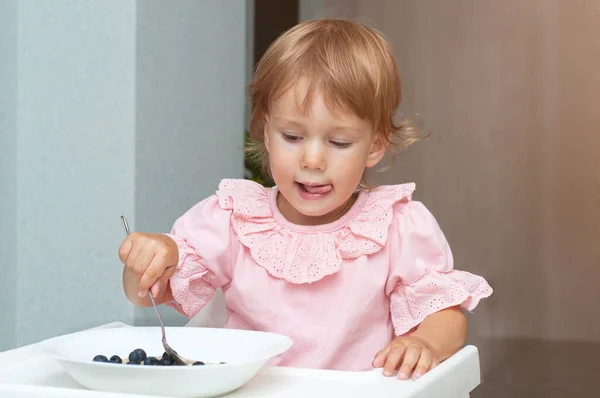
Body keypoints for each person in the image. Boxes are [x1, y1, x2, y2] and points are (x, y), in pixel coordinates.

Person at [118, 17, 492, 380]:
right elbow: (146, 293)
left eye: (339, 142)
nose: (312, 160)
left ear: (375, 145)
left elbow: (444, 313)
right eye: (293, 137)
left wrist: (425, 342)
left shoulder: (395, 227)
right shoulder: (234, 218)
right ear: (266, 132)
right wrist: (153, 259)